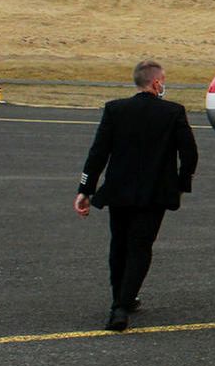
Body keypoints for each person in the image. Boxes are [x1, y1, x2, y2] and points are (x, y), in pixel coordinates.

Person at [74, 59, 198, 331]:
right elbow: (189, 154)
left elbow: (98, 153)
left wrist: (85, 189)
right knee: (140, 247)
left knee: (119, 244)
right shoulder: (173, 112)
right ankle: (122, 304)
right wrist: (180, 184)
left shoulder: (115, 110)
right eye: (163, 79)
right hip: (154, 194)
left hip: (118, 191)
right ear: (156, 82)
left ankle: (121, 298)